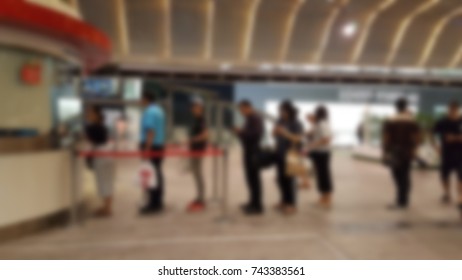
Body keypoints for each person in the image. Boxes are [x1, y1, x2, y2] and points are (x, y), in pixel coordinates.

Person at [382, 98, 420, 210]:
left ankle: (401, 200)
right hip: (407, 150)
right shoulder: (412, 120)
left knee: (396, 175)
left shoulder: (390, 120)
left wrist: (384, 151)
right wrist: (415, 150)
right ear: (406, 106)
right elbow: (417, 137)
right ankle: (404, 200)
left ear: (396, 107)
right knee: (405, 174)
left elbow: (386, 137)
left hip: (394, 150)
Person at [84, 106, 115, 217]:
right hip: (108, 154)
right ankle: (107, 206)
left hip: (100, 156)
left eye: (90, 112)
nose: (88, 115)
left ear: (96, 114)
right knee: (107, 181)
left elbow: (89, 143)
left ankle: (107, 208)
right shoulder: (103, 126)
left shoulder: (90, 127)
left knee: (103, 181)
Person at [234, 100, 264, 215]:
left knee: (254, 180)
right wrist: (239, 133)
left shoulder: (255, 118)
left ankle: (258, 206)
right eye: (240, 110)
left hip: (253, 152)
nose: (241, 112)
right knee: (250, 179)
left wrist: (240, 132)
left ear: (248, 107)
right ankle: (252, 202)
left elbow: (255, 135)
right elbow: (246, 136)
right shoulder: (249, 119)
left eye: (242, 109)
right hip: (248, 151)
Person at [273, 100, 303, 215]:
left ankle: (292, 204)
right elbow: (274, 135)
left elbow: (298, 139)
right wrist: (275, 131)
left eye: (281, 110)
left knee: (290, 180)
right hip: (280, 153)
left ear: (288, 111)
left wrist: (284, 133)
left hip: (292, 154)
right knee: (280, 179)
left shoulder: (296, 122)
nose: (280, 113)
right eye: (279, 110)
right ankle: (283, 201)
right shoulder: (279, 120)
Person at [432, 101, 462, 214]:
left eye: (454, 110)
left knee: (460, 176)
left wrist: (457, 138)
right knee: (444, 175)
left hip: (460, 153)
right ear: (448, 109)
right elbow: (433, 134)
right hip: (446, 153)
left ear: (458, 110)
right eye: (450, 109)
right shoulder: (442, 122)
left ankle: (460, 198)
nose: (452, 112)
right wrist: (436, 146)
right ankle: (447, 193)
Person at [139, 90, 166, 215]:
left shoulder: (149, 111)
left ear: (145, 99)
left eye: (142, 99)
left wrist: (147, 149)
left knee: (151, 174)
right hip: (160, 145)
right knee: (157, 173)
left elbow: (151, 131)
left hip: (152, 146)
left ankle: (153, 204)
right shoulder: (159, 111)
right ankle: (158, 201)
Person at [308, 106, 334, 209]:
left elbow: (326, 139)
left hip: (323, 152)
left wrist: (312, 145)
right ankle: (323, 196)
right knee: (320, 175)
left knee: (324, 175)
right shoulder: (318, 124)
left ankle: (327, 197)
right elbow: (313, 134)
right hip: (318, 153)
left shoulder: (322, 124)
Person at [187, 97, 209, 212]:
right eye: (193, 107)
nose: (195, 109)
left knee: (198, 174)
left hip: (198, 150)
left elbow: (205, 135)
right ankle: (199, 197)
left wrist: (193, 140)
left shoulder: (201, 119)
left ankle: (201, 199)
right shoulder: (195, 119)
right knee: (195, 174)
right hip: (193, 150)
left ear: (201, 108)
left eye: (197, 107)